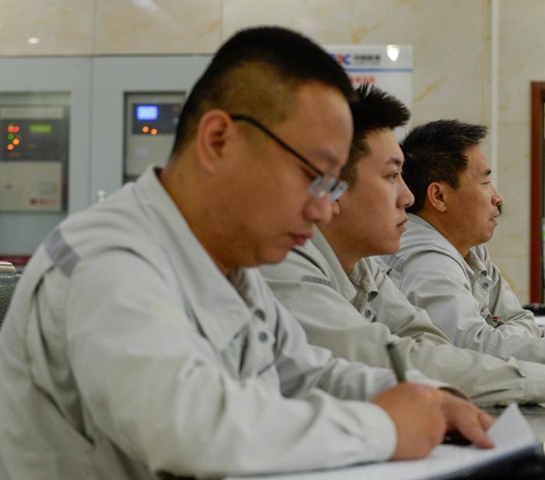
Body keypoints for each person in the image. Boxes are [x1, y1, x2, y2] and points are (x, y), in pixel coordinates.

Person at [0, 28, 494, 480]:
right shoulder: (106, 258)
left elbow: (305, 371)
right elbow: (191, 430)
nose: (325, 209)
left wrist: (422, 399)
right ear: (218, 140)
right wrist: (383, 426)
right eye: (313, 176)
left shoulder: (231, 264)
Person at [261, 84, 545, 407]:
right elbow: (414, 358)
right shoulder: (287, 265)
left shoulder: (365, 266)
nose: (406, 197)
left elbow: (432, 347)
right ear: (330, 184)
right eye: (390, 177)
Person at [383, 119, 545, 361]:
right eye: (485, 183)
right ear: (439, 197)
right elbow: (473, 349)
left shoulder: (470, 249)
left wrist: (501, 338)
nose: (497, 197)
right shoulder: (426, 261)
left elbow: (522, 320)